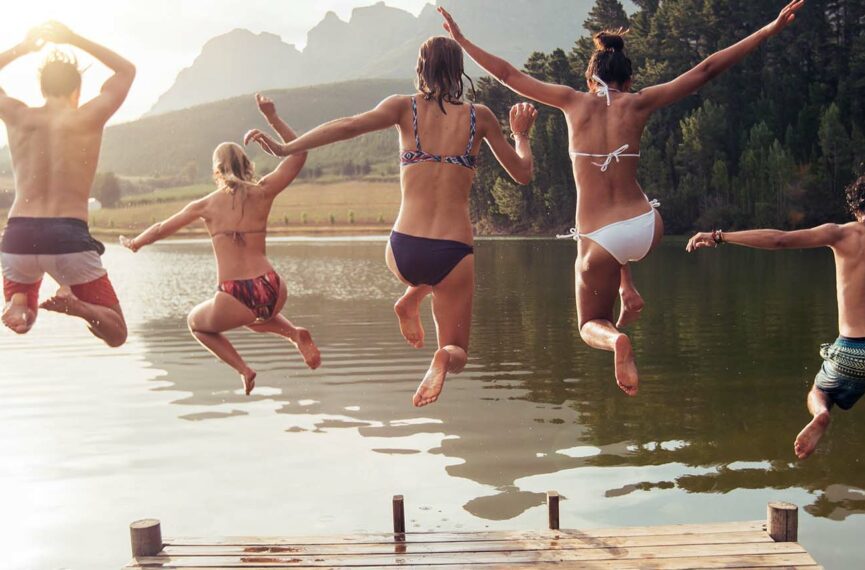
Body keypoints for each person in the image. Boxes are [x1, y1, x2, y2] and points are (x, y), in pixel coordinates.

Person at [438, 1, 805, 396]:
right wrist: (768, 29)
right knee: (617, 226)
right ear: (628, 81)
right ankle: (626, 288)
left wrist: (461, 40)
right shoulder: (640, 102)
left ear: (590, 78)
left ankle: (616, 340)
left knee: (588, 323)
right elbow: (707, 69)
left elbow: (508, 73)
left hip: (602, 238)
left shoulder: (571, 101)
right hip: (647, 226)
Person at [245, 36, 537, 407]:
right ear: (458, 71)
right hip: (454, 252)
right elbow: (523, 173)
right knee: (456, 349)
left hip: (403, 249)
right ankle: (441, 355)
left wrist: (288, 147)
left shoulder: (404, 108)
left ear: (421, 69)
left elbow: (349, 125)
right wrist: (521, 135)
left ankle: (410, 297)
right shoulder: (481, 117)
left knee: (421, 275)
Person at [120, 94, 321, 395]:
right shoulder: (263, 191)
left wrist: (135, 242)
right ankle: (293, 333)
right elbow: (299, 154)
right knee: (253, 317)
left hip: (234, 294)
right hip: (272, 286)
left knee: (197, 323)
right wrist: (272, 118)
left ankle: (245, 369)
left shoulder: (204, 205)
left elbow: (162, 228)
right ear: (248, 166)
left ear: (216, 171)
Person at [687, 171, 865, 460]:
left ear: (858, 207)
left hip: (853, 349)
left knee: (819, 393)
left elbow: (780, 240)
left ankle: (821, 414)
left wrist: (719, 236)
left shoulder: (844, 234)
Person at [0, 22, 135, 346]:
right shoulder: (88, 116)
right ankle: (77, 306)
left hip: (17, 237)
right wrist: (73, 38)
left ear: (42, 88)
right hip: (66, 238)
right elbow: (126, 71)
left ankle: (19, 305)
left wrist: (22, 48)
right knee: (116, 333)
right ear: (77, 90)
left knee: (24, 307)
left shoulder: (18, 115)